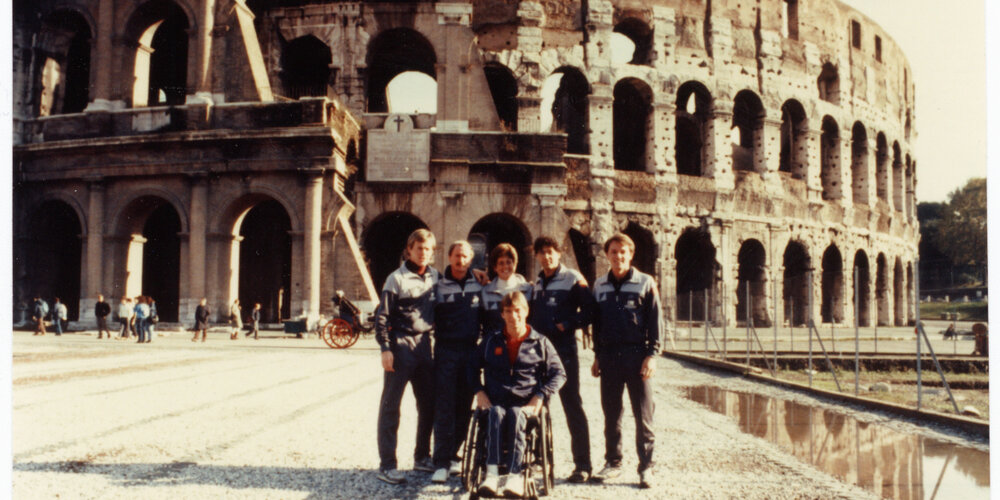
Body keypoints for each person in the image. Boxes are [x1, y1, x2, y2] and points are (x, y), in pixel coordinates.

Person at [470, 291, 566, 497]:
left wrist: (540, 395)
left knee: (516, 414)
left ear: (526, 311)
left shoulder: (540, 342)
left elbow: (559, 374)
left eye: (517, 311)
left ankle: (515, 476)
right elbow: (470, 368)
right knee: (496, 413)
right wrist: (479, 391)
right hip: (495, 401)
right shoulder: (491, 341)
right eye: (508, 311)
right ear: (502, 315)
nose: (514, 316)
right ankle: (492, 474)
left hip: (525, 404)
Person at [590, 233, 661, 488]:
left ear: (631, 254)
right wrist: (597, 355)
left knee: (643, 415)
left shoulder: (645, 282)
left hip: (637, 356)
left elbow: (655, 321)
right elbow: (596, 325)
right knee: (611, 414)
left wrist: (651, 355)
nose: (618, 256)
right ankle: (613, 462)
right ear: (607, 255)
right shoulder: (599, 286)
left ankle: (646, 467)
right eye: (613, 252)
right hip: (609, 357)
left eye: (623, 252)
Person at [374, 228, 439, 484]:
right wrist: (385, 348)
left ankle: (422, 457)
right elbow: (382, 317)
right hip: (400, 346)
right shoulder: (395, 279)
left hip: (424, 345)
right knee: (391, 406)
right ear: (409, 250)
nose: (423, 253)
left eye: (428, 249)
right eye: (419, 248)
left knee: (428, 404)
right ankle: (387, 464)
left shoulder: (436, 277)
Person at [528, 236, 594, 482]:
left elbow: (590, 311)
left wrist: (568, 324)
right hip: (538, 353)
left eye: (551, 252)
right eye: (542, 252)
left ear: (560, 252)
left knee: (571, 405)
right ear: (536, 256)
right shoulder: (536, 282)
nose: (547, 256)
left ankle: (583, 465)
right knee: (537, 405)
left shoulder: (573, 278)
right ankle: (537, 460)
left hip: (564, 351)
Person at [431, 241, 484, 483]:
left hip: (470, 352)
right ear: (449, 257)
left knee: (464, 405)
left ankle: (454, 456)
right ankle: (440, 462)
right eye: (456, 256)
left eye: (464, 257)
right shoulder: (438, 286)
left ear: (470, 259)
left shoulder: (479, 284)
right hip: (446, 351)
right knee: (444, 406)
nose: (460, 261)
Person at [481, 243, 533, 337]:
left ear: (515, 264)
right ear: (495, 267)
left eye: (509, 262)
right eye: (501, 263)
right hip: (496, 345)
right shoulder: (485, 292)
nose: (505, 267)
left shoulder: (528, 289)